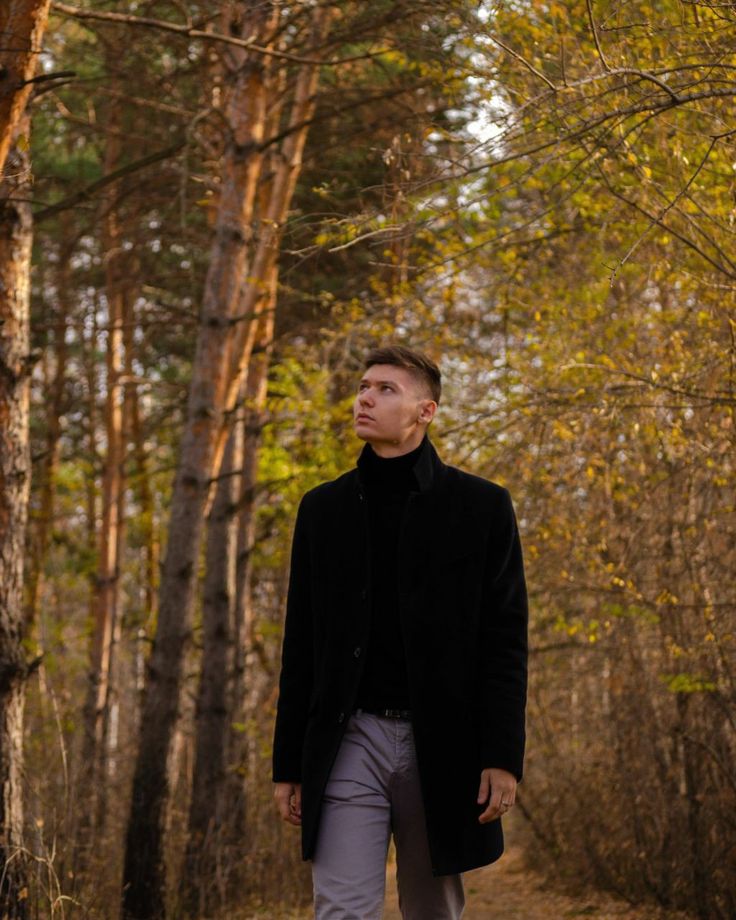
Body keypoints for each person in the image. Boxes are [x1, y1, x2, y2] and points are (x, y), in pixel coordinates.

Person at [272, 344, 528, 919]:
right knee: (340, 908)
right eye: (364, 386)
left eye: (386, 389)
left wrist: (502, 755)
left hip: (443, 743)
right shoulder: (322, 510)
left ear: (425, 411)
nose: (365, 397)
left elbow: (504, 643)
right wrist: (288, 764)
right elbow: (301, 646)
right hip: (348, 740)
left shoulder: (483, 508)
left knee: (432, 909)